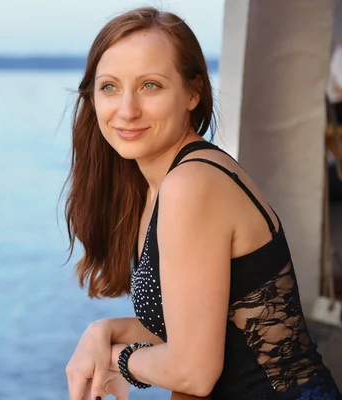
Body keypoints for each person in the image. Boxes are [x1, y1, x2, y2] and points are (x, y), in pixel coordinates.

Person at [62, 7, 342, 400]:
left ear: (193, 92)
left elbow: (193, 371)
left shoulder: (190, 184)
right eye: (109, 86)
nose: (126, 110)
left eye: (150, 85)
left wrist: (118, 360)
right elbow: (199, 327)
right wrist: (102, 330)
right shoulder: (160, 184)